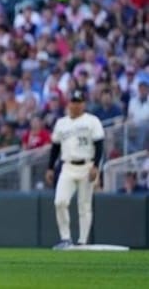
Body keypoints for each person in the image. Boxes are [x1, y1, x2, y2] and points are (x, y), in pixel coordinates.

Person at [45, 88, 105, 250]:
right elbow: (55, 147)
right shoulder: (61, 123)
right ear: (69, 104)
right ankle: (65, 238)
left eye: (79, 102)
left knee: (84, 205)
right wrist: (50, 167)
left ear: (84, 104)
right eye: (74, 102)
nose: (76, 105)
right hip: (67, 166)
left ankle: (82, 241)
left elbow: (99, 145)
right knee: (60, 201)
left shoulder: (92, 121)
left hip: (87, 165)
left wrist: (96, 166)